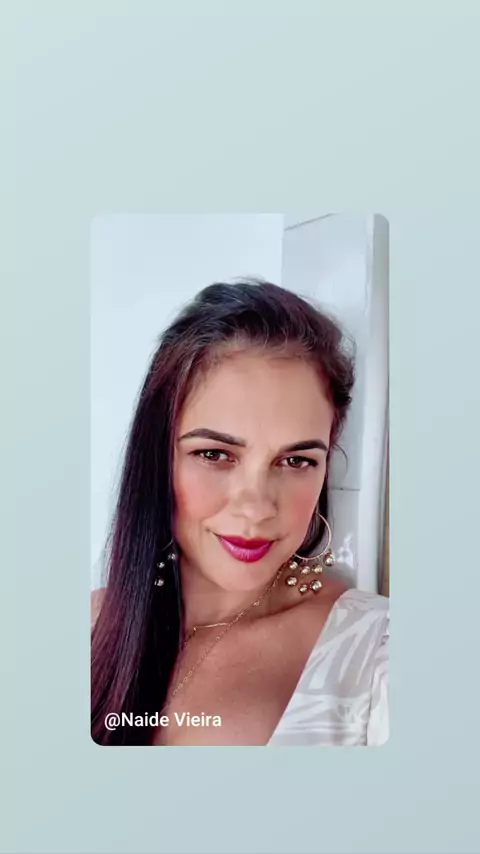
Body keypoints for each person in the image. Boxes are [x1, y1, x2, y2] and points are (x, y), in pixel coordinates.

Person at [91, 279, 389, 746]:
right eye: (214, 454)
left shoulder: (377, 655)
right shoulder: (82, 628)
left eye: (296, 461)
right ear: (157, 456)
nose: (256, 507)